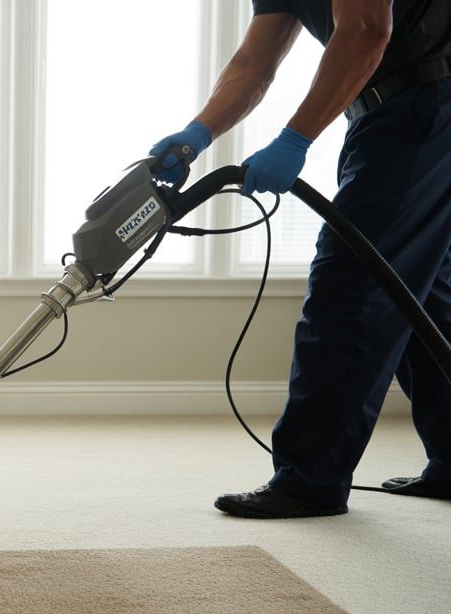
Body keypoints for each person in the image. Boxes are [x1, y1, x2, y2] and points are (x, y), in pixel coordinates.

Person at [151, 0, 451, 518]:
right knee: (420, 293)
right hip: (396, 112)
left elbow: (365, 29)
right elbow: (253, 64)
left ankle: (309, 478)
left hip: (424, 108)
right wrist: (196, 136)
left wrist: (295, 139)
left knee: (352, 284)